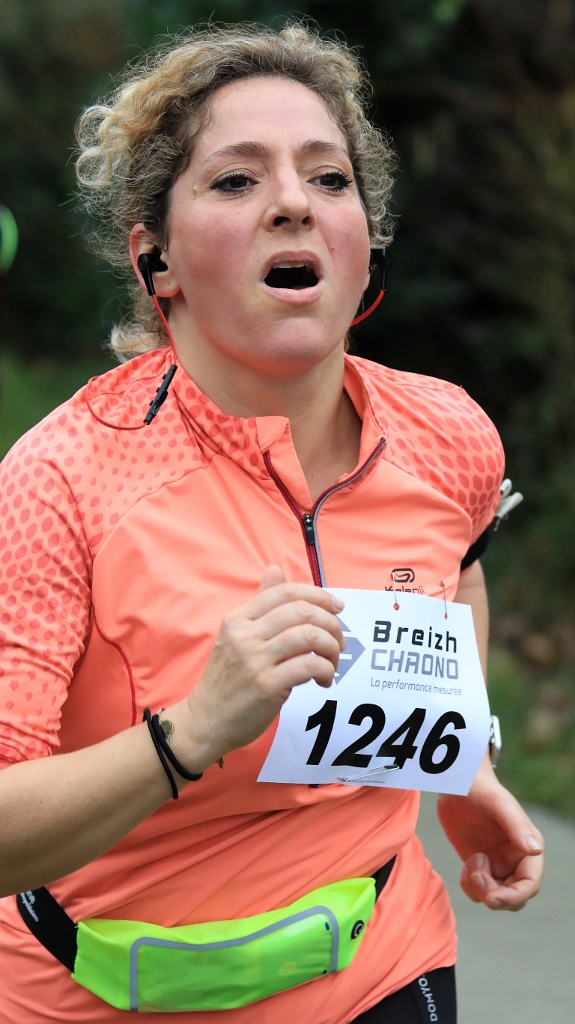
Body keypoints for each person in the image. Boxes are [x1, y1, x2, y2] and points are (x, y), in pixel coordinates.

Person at [0, 21, 544, 1023]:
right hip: (94, 994)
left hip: (381, 968)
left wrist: (465, 765)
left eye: (328, 178)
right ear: (156, 260)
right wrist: (193, 729)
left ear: (364, 239)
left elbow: (456, 569)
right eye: (235, 180)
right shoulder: (59, 481)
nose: (293, 202)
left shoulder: (449, 434)